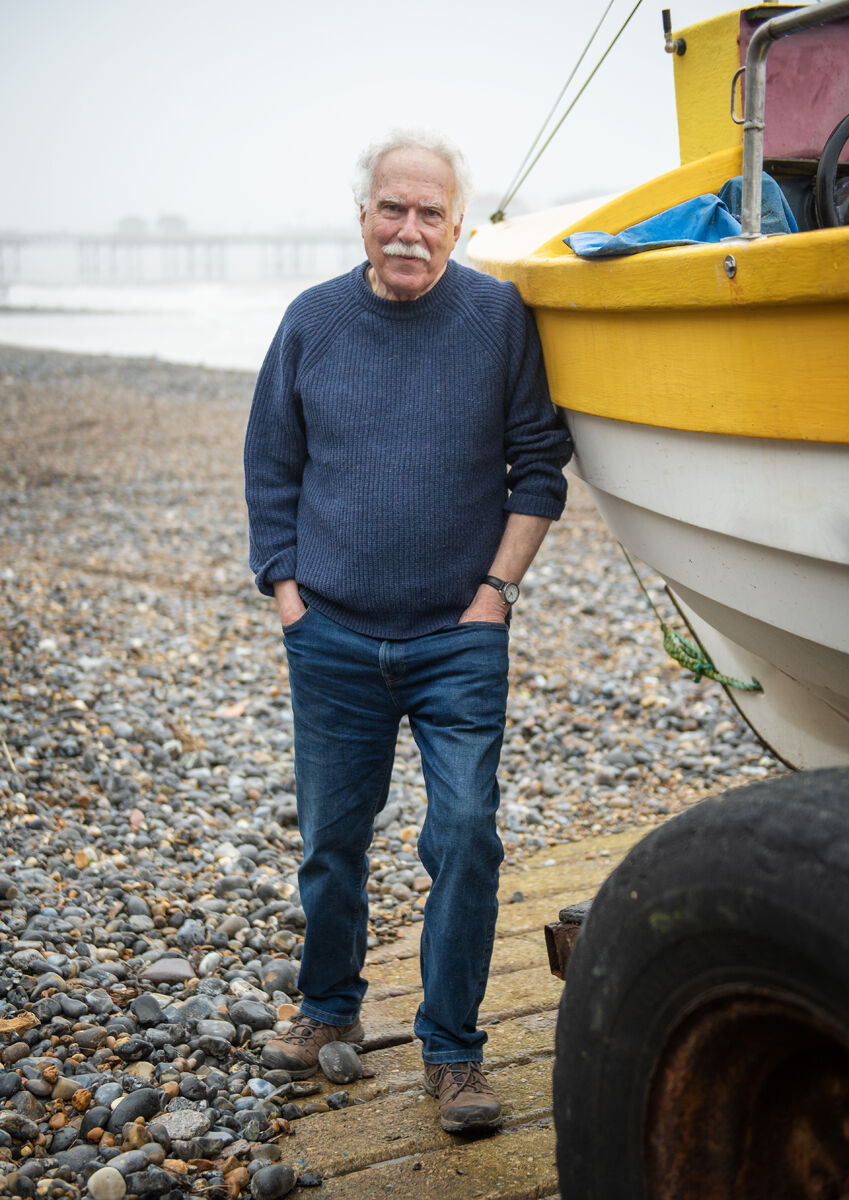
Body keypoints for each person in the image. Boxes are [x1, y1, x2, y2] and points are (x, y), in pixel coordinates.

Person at [243, 129, 572, 1133]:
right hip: (332, 635)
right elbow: (270, 468)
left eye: (431, 214)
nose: (410, 230)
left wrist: (494, 595)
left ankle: (455, 1052)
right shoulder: (311, 323)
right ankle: (329, 1007)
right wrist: (289, 596)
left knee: (467, 834)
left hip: (456, 638)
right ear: (364, 215)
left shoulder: (497, 319)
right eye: (394, 208)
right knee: (333, 843)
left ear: (458, 225)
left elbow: (542, 467)